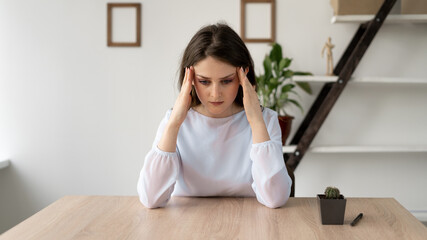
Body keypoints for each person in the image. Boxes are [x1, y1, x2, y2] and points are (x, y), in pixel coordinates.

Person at [137, 23, 292, 209]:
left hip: (248, 221)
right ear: (191, 79)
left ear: (243, 75)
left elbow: (276, 199)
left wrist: (256, 121)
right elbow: (150, 199)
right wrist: (174, 124)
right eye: (204, 82)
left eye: (226, 81)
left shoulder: (265, 120)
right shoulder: (174, 121)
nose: (215, 93)